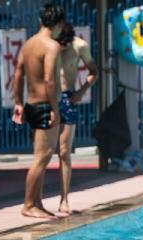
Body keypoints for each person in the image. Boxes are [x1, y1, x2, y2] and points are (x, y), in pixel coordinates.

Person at [12, 4, 65, 218]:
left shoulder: (28, 44)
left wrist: (18, 102)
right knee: (41, 158)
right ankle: (28, 205)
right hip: (45, 105)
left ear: (41, 21)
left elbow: (17, 74)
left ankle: (37, 202)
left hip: (31, 104)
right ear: (59, 24)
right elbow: (49, 80)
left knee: (41, 156)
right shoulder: (51, 46)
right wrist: (55, 109)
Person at [55, 23, 98, 216]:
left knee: (64, 151)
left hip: (67, 98)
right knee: (46, 153)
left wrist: (80, 92)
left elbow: (94, 72)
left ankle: (64, 199)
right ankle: (35, 201)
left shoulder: (80, 45)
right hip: (48, 98)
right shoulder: (48, 44)